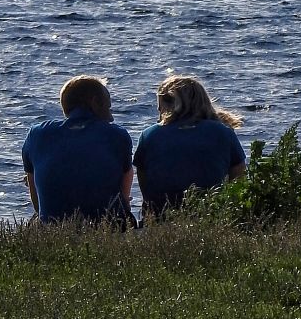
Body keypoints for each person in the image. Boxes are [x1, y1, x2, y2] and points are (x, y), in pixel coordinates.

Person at [22, 75, 133, 224]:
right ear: (94, 103)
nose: (111, 118)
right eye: (108, 107)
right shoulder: (117, 135)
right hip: (106, 227)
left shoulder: (37, 134)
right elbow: (124, 199)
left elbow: (36, 201)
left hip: (53, 228)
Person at [134, 75, 246, 217]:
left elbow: (144, 180)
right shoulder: (223, 132)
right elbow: (239, 177)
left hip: (162, 215)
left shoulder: (149, 135)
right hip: (212, 213)